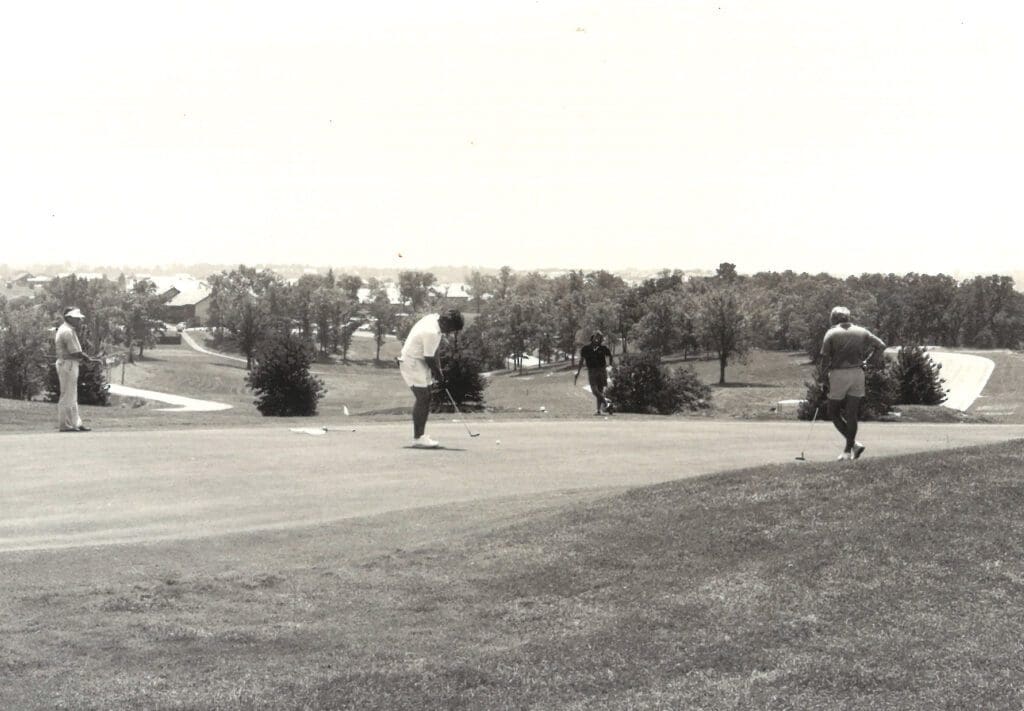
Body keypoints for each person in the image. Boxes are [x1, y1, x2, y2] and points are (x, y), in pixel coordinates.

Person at [820, 306, 886, 460]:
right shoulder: (861, 331)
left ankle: (850, 447)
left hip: (838, 373)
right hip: (858, 373)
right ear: (848, 318)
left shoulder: (831, 333)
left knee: (833, 412)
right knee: (851, 414)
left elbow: (824, 360)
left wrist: (824, 380)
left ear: (834, 318)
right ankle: (851, 448)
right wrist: (868, 361)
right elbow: (881, 346)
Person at [398, 308, 465, 448]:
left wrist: (439, 372)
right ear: (447, 323)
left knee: (427, 397)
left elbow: (434, 351)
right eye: (451, 329)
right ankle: (418, 438)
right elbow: (429, 357)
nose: (450, 332)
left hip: (419, 361)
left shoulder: (434, 319)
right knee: (423, 398)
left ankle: (420, 436)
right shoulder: (432, 332)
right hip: (412, 362)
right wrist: (439, 374)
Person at [55, 307, 100, 432]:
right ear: (68, 318)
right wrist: (87, 358)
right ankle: (65, 425)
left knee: (72, 395)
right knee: (68, 395)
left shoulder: (67, 329)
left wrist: (85, 358)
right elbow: (75, 352)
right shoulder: (67, 331)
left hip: (68, 364)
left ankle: (76, 423)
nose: (79, 321)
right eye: (76, 318)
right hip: (67, 364)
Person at [574, 331, 614, 415]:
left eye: (599, 339)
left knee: (597, 390)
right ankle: (603, 406)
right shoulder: (586, 348)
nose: (598, 340)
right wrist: (578, 372)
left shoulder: (603, 348)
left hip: (600, 370)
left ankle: (603, 406)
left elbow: (610, 356)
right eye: (596, 338)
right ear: (592, 339)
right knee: (596, 390)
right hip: (593, 370)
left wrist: (610, 366)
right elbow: (581, 360)